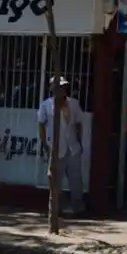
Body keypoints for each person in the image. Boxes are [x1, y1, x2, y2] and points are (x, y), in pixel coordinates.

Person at [38, 76, 85, 216]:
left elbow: (78, 124)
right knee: (55, 180)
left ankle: (78, 208)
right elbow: (41, 124)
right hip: (55, 147)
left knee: (76, 180)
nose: (62, 90)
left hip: (72, 147)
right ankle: (55, 209)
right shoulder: (46, 105)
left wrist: (79, 142)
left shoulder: (74, 104)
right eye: (59, 87)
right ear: (53, 89)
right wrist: (44, 143)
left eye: (64, 87)